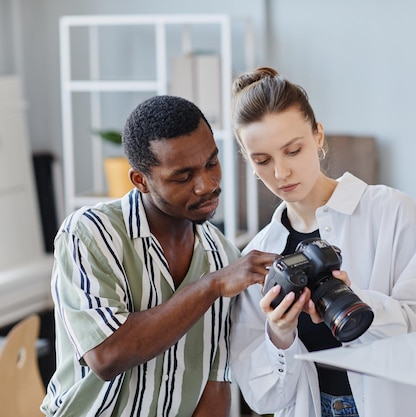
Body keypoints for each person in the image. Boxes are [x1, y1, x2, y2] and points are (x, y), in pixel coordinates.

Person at [229, 67, 416, 417]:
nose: (281, 173)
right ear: (249, 161)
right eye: (263, 160)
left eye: (293, 150)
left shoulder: (391, 212)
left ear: (318, 136)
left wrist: (360, 303)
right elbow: (263, 399)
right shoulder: (257, 256)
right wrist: (279, 336)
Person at [41, 95, 277, 417]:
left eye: (211, 163)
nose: (206, 185)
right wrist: (211, 286)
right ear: (141, 180)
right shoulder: (89, 235)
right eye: (183, 176)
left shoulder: (223, 254)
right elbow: (107, 355)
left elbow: (215, 382)